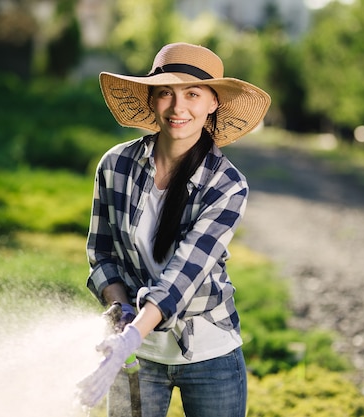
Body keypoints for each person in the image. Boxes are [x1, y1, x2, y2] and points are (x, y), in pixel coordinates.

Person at [77, 42, 271, 417]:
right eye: (166, 92)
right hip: (136, 354)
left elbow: (185, 274)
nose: (178, 107)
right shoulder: (115, 165)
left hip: (210, 354)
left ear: (213, 103)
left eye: (193, 94)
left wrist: (133, 332)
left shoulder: (228, 184)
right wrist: (118, 312)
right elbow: (100, 252)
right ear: (152, 99)